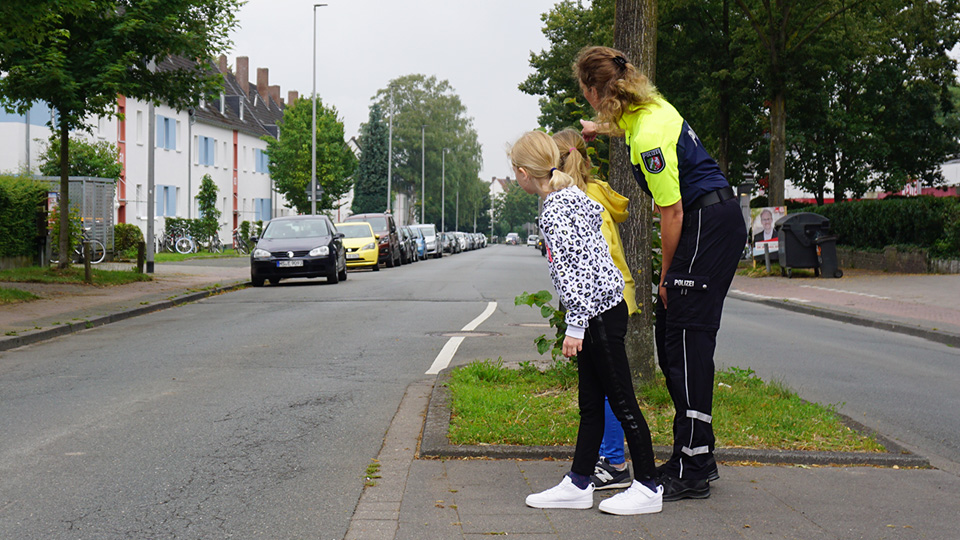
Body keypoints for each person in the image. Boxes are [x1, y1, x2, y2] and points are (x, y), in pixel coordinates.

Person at [576, 46, 747, 501]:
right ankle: (696, 453)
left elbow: (669, 211)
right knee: (672, 337)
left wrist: (667, 274)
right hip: (707, 220)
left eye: (586, 94)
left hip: (704, 224)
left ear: (596, 91)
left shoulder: (649, 131)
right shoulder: (645, 108)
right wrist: (598, 129)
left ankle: (693, 467)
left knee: (686, 341)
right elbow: (623, 125)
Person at [510, 130, 662, 516]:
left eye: (514, 170)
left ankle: (648, 485)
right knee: (592, 402)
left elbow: (576, 272)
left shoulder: (555, 209)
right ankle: (578, 483)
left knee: (622, 401)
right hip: (603, 308)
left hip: (597, 314)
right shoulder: (572, 195)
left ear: (524, 172)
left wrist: (575, 327)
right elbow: (592, 260)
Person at [552, 129, 634, 492]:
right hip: (608, 298)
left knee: (609, 388)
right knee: (602, 386)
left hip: (603, 302)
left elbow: (588, 268)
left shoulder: (580, 201)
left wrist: (576, 320)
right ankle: (602, 460)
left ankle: (615, 461)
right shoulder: (592, 194)